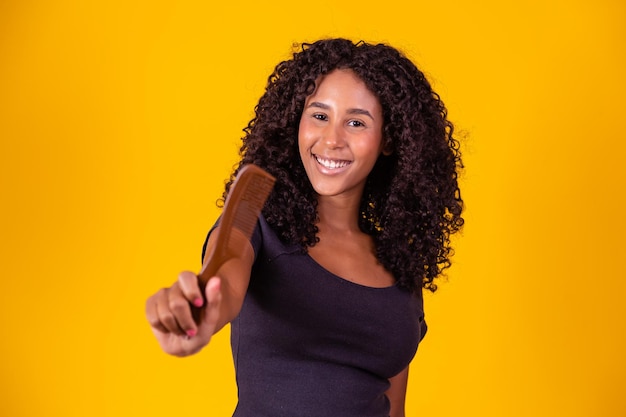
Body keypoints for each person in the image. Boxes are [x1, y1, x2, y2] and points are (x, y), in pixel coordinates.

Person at [145, 38, 464, 417]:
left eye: (356, 122)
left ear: (389, 141)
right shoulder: (257, 221)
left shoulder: (400, 266)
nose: (331, 139)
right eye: (319, 115)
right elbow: (224, 277)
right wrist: (196, 314)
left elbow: (394, 405)